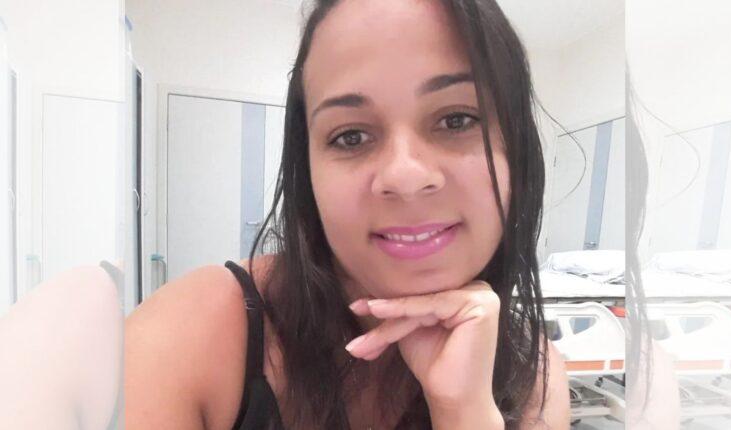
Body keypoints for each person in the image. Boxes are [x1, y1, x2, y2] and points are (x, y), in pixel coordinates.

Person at [125, 0, 569, 429]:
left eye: (457, 120)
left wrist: (464, 415)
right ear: (307, 170)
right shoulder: (184, 337)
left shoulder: (535, 376)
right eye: (351, 136)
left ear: (517, 150)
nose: (405, 176)